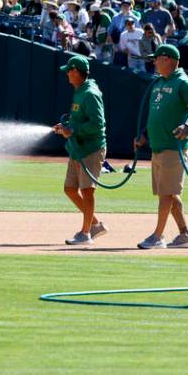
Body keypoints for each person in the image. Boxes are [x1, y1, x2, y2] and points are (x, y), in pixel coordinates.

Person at [133, 44, 188, 249]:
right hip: (158, 146)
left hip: (174, 146)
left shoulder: (183, 83)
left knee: (166, 193)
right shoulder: (157, 83)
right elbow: (156, 114)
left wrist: (187, 126)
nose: (154, 62)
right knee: (171, 193)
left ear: (170, 60)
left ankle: (158, 236)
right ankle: (185, 236)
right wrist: (144, 136)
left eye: (158, 58)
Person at [53, 54, 108, 246]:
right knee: (69, 189)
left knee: (87, 191)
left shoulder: (90, 93)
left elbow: (98, 124)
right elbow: (79, 120)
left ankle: (85, 233)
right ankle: (95, 224)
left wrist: (73, 130)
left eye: (69, 70)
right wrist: (65, 127)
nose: (67, 74)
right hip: (77, 148)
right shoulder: (80, 91)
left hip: (90, 149)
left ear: (76, 72)